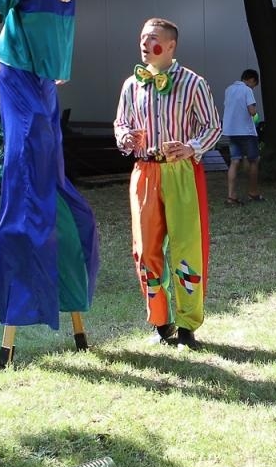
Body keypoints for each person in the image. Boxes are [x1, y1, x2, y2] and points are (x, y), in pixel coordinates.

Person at [0, 0, 105, 331]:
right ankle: (16, 249)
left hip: (45, 80)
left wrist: (56, 68)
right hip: (18, 74)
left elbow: (53, 26)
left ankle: (53, 230)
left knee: (49, 161)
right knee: (28, 156)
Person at [113, 18, 223, 349]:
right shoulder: (131, 85)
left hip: (180, 173)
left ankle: (188, 325)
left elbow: (213, 127)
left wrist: (191, 147)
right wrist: (126, 138)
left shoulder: (193, 83)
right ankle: (161, 322)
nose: (145, 44)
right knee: (145, 249)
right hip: (144, 172)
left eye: (153, 39)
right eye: (142, 38)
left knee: (187, 247)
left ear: (171, 45)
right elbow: (120, 123)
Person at [223, 68, 263, 205]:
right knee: (254, 160)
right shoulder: (247, 90)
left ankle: (231, 196)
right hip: (246, 132)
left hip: (231, 131)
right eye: (254, 84)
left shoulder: (229, 89)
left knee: (234, 161)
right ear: (251, 80)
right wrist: (256, 114)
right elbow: (252, 112)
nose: (253, 87)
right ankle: (253, 192)